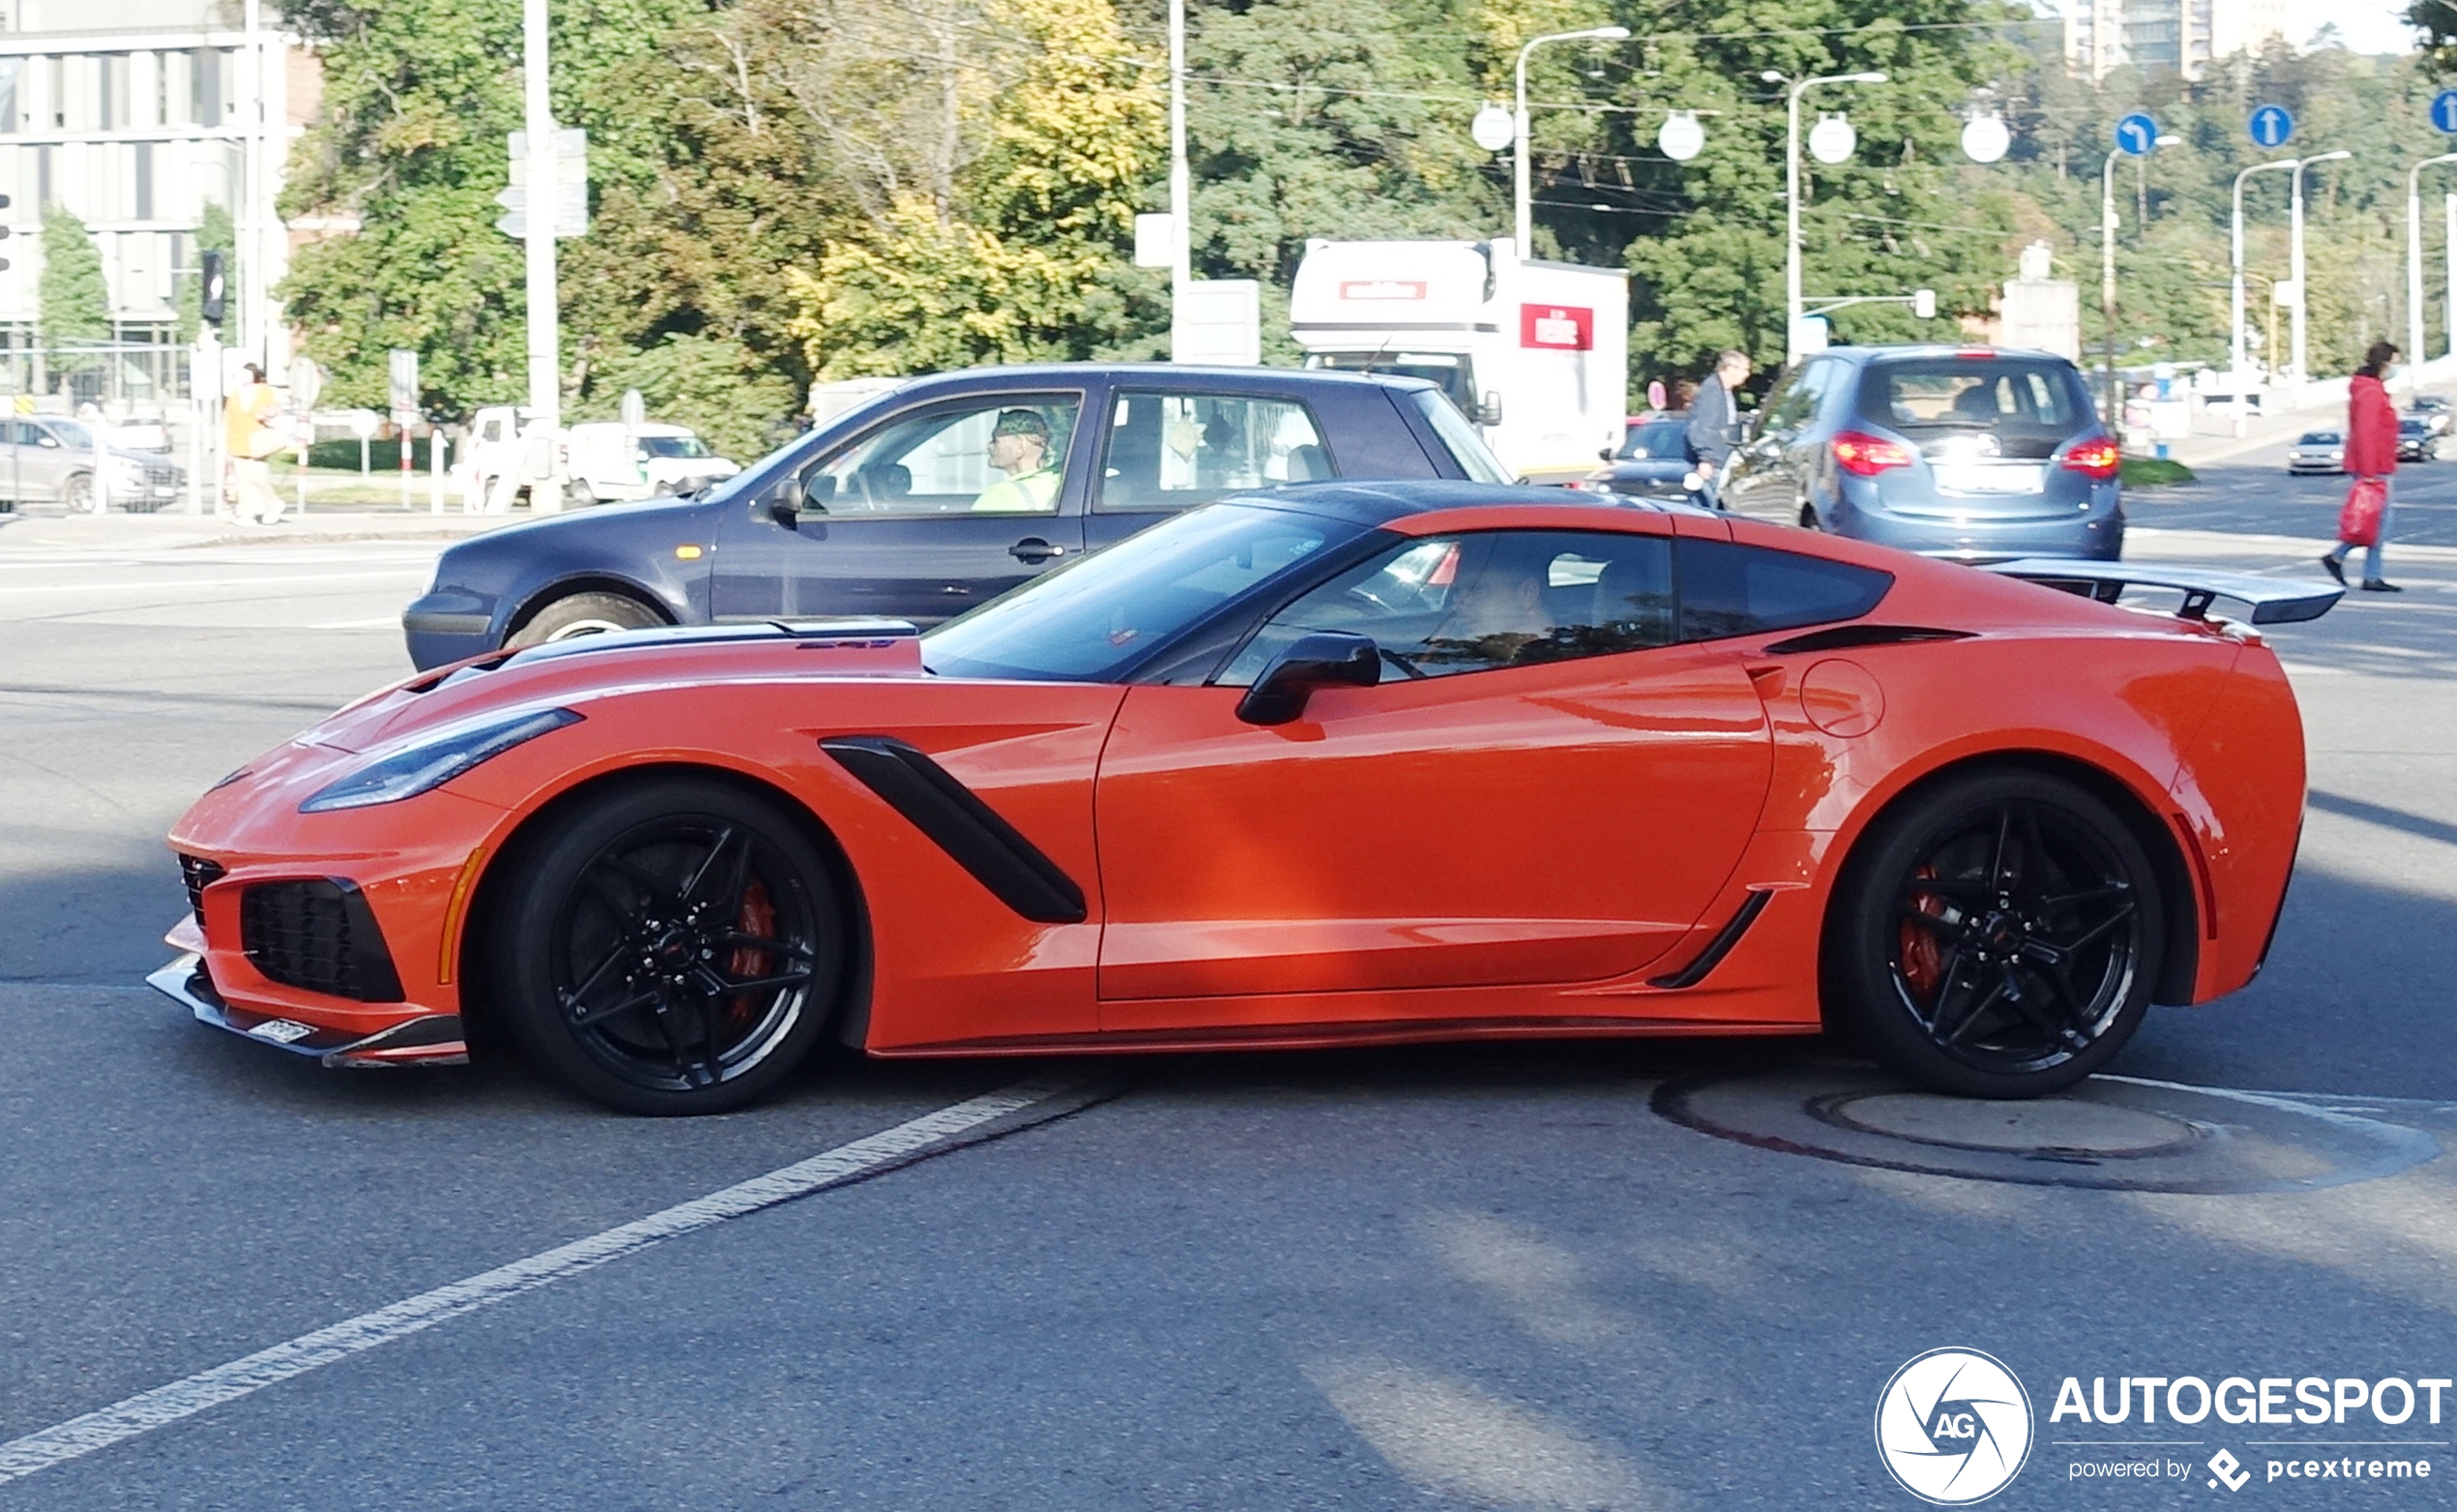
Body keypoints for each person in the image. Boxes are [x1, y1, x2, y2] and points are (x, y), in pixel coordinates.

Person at [2323, 340, 2402, 593]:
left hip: (2378, 464)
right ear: (2384, 362)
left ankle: (2349, 562)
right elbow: (2366, 433)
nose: (2396, 369)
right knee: (2380, 522)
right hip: (2374, 467)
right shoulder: (2370, 392)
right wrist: (2368, 473)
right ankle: (2365, 572)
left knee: (2375, 522)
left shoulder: (2370, 388)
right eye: (2395, 363)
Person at [1684, 348, 1752, 507]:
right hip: (1712, 464)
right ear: (1730, 368)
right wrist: (1706, 459)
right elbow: (1702, 426)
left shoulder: (1723, 391)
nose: (1747, 374)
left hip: (1719, 461)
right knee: (1708, 513)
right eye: (1745, 369)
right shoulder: (1713, 390)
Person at [223, 363, 285, 525]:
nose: (243, 378)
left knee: (258, 477)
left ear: (254, 376)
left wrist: (265, 414)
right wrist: (227, 443)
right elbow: (228, 419)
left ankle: (274, 504)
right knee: (242, 481)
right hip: (238, 442)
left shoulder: (263, 391)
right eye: (241, 374)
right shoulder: (235, 394)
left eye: (247, 374)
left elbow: (275, 409)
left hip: (258, 442)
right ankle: (246, 514)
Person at [971, 408, 1060, 513]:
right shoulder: (1059, 480)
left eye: (995, 440)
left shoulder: (1000, 496)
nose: (989, 446)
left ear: (1019, 447)